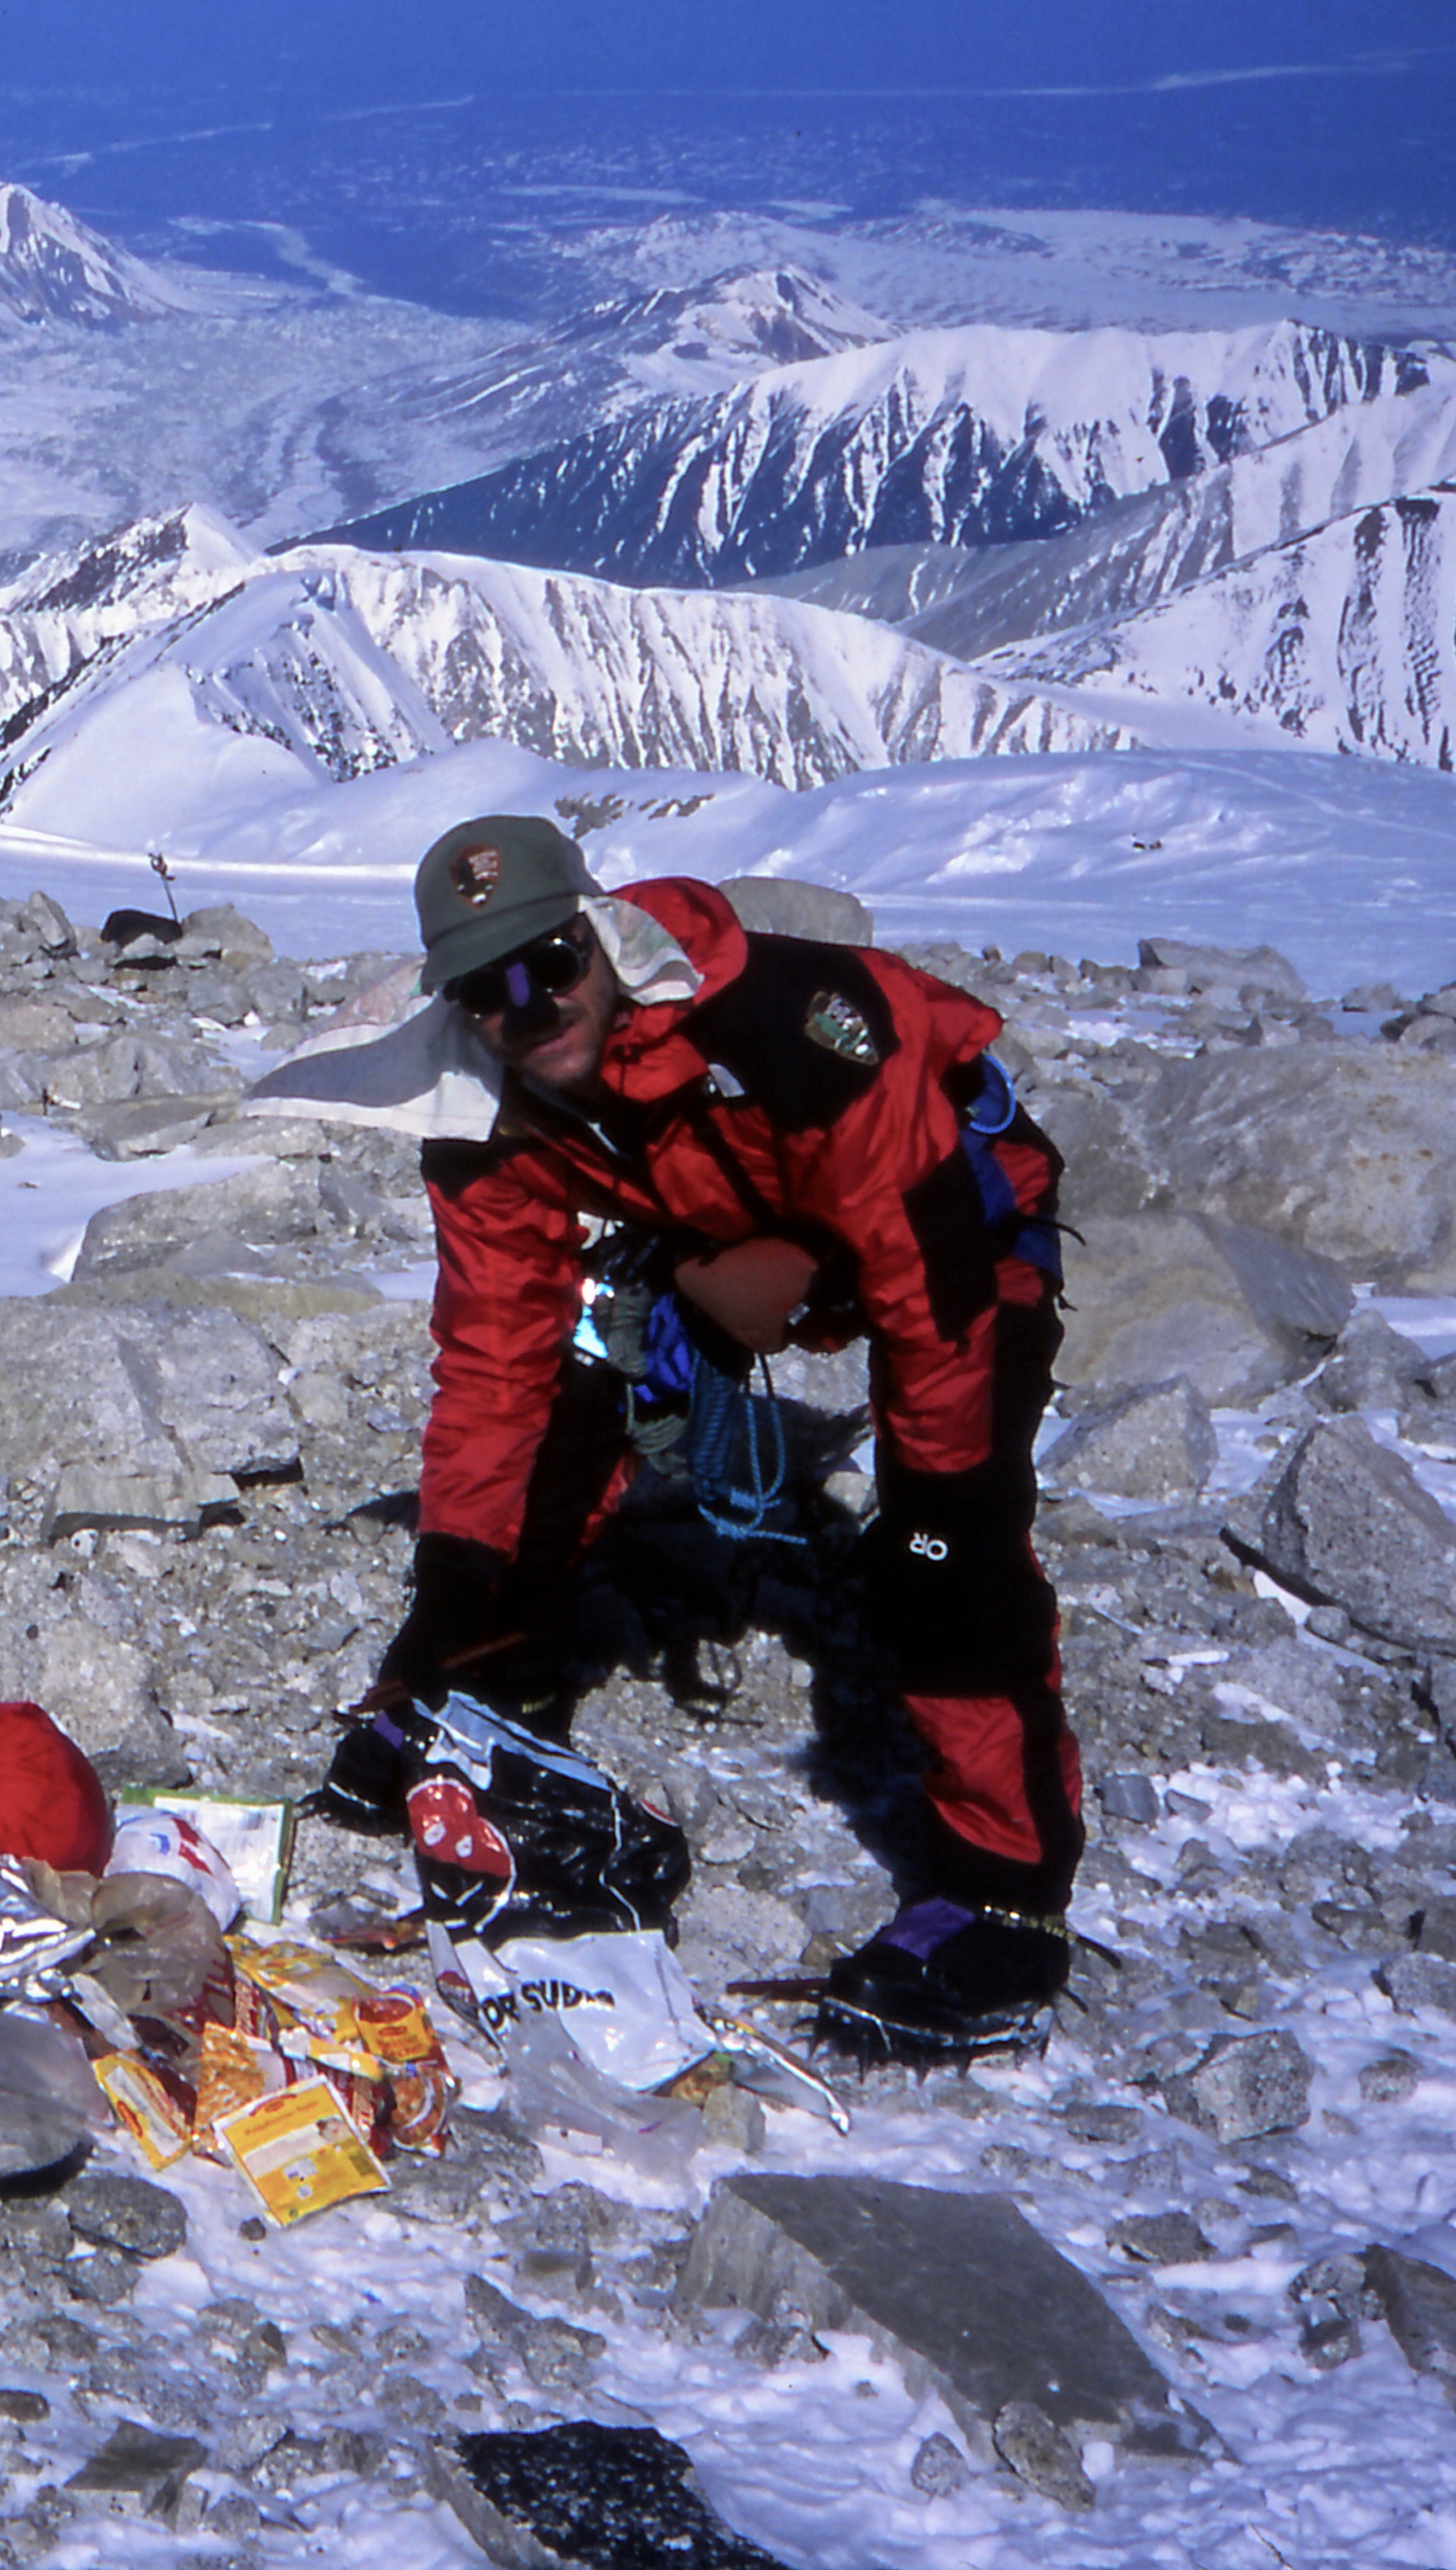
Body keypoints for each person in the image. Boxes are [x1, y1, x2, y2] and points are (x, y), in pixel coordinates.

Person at [319, 813, 1082, 2060]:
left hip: (947, 1226)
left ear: (604, 936)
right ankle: (476, 1699)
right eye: (488, 988)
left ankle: (1005, 1898)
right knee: (557, 1420)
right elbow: (491, 1356)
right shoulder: (483, 1110)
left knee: (950, 1558)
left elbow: (923, 1277)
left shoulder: (798, 1028)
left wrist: (939, 1509)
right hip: (717, 1211)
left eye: (550, 962)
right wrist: (452, 1583)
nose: (529, 1005)